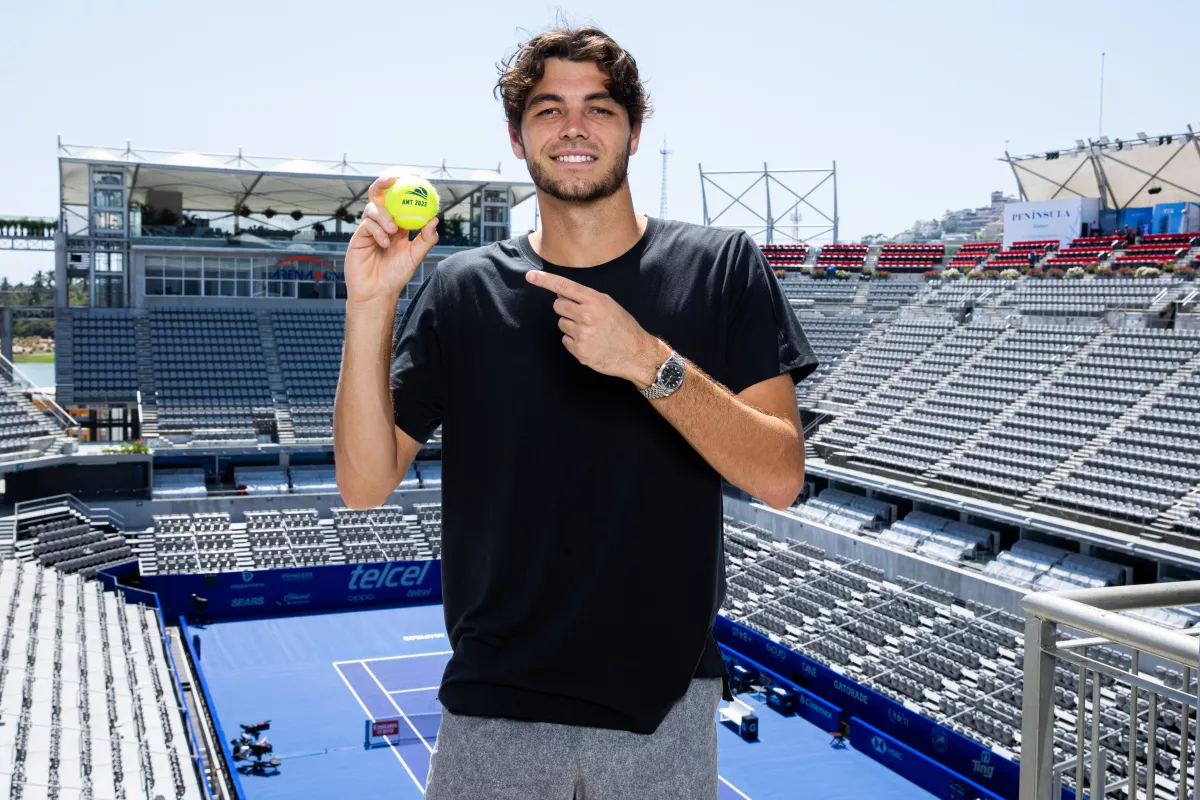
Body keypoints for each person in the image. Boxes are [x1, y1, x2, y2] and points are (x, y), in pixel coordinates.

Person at [334, 23, 818, 800]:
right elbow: (362, 483)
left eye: (598, 107)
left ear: (634, 128)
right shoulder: (463, 289)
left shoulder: (722, 266)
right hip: (494, 705)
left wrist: (647, 363)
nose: (574, 128)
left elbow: (781, 475)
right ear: (518, 139)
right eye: (548, 110)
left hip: (662, 707)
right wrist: (371, 303)